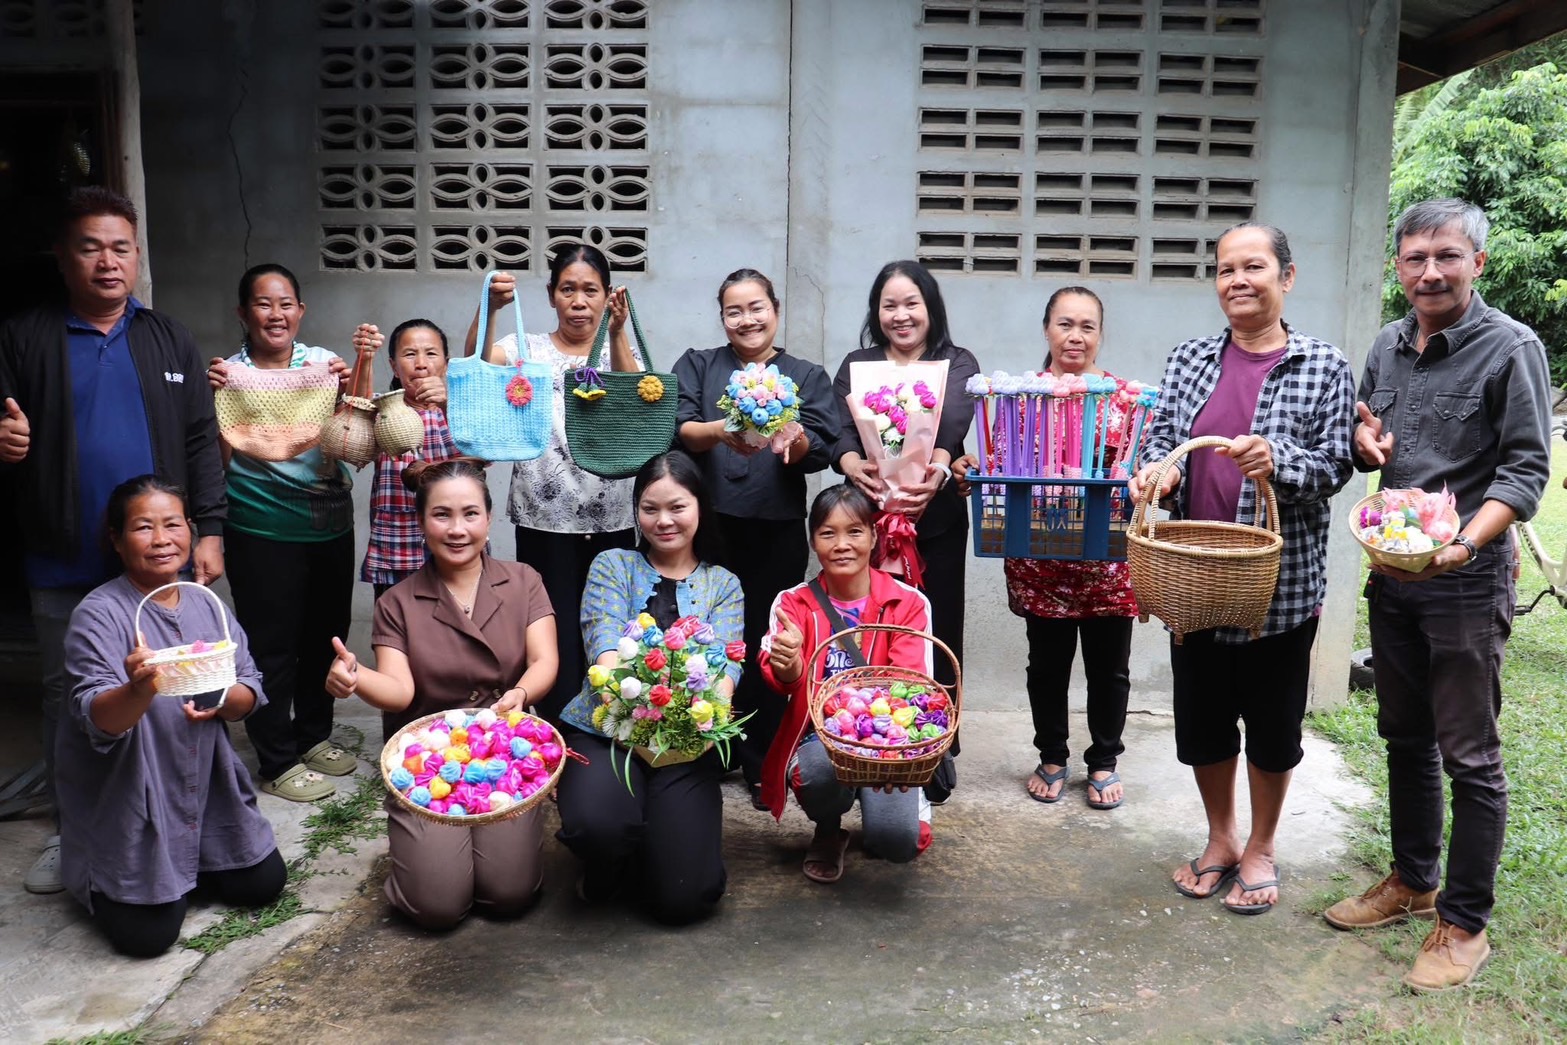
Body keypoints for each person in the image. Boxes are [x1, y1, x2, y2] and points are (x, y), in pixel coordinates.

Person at [1324, 199, 1552, 993]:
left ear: (1475, 263)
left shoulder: (1509, 347)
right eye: (1415, 257)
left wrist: (1458, 546)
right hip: (1392, 573)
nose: (1429, 271)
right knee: (1402, 734)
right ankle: (1412, 881)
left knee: (1470, 754)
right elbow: (1367, 434)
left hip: (1462, 578)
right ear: (1398, 265)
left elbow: (1524, 472)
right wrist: (1364, 440)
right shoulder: (1387, 344)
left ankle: (1463, 922)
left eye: (1445, 256)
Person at [0, 186, 227, 895]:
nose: (108, 261)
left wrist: (210, 529)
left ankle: (182, 817)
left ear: (136, 256)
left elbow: (198, 440)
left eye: (120, 248)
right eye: (91, 247)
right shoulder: (23, 337)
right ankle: (77, 829)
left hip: (160, 554)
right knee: (74, 694)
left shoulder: (167, 338)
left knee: (173, 683)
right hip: (63, 550)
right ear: (63, 258)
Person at [1129, 222, 1354, 917]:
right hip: (1194, 575)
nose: (1237, 280)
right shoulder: (1191, 356)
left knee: (1271, 723)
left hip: (1277, 588)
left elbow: (1335, 464)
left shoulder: (1322, 363)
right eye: (1225, 269)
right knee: (1201, 719)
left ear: (1286, 277)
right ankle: (1220, 838)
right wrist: (1155, 476)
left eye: (1252, 266)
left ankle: (1260, 845)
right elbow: (1163, 438)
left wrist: (1277, 460)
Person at [326, 458, 558, 930]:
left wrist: (519, 693)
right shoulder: (398, 602)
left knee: (509, 895)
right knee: (438, 908)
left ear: (489, 518)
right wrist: (356, 680)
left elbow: (545, 661)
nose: (457, 529)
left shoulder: (523, 581)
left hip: (502, 753)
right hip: (429, 763)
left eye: (470, 514)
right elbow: (398, 691)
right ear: (420, 522)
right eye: (442, 515)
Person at [58, 475, 282, 957]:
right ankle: (108, 870)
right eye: (143, 527)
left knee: (264, 884)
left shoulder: (208, 606)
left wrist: (222, 697)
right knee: (149, 938)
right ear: (116, 540)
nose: (162, 540)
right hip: (133, 795)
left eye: (173, 525)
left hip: (205, 787)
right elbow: (98, 719)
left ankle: (189, 864)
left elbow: (249, 691)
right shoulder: (98, 614)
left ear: (190, 532)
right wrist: (138, 689)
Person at [955, 287, 1137, 808]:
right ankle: (1052, 755)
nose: (1075, 336)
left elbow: (1146, 465)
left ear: (1100, 334)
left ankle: (1104, 760)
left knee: (1111, 667)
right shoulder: (1018, 397)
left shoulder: (1125, 399)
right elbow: (998, 465)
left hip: (1107, 558)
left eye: (1087, 325)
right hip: (1039, 555)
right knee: (1048, 664)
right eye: (1064, 324)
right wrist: (974, 469)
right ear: (1046, 329)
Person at [553, 451, 742, 924]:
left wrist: (688, 721)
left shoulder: (724, 584)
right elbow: (604, 648)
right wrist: (638, 703)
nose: (664, 521)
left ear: (700, 506)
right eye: (649, 508)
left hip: (686, 743)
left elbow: (724, 677)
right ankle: (608, 861)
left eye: (677, 507)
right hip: (606, 729)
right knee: (599, 826)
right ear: (636, 510)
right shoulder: (611, 564)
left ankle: (653, 852)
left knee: (683, 900)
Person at [673, 268, 838, 809]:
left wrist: (788, 442)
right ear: (722, 317)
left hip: (775, 528)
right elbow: (682, 431)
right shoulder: (700, 364)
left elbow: (817, 447)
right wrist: (727, 429)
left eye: (756, 307)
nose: (747, 319)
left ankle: (762, 756)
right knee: (708, 640)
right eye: (734, 310)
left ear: (776, 308)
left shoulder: (805, 373)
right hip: (709, 529)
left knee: (768, 642)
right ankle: (706, 749)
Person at [469, 246, 646, 722]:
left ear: (608, 297)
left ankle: (605, 729)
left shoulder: (615, 349)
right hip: (543, 520)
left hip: (611, 517)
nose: (579, 300)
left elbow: (638, 404)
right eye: (568, 288)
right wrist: (488, 310)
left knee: (608, 629)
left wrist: (618, 332)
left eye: (591, 289)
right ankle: (554, 736)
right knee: (552, 632)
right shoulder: (525, 348)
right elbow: (477, 365)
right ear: (551, 295)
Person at [206, 264, 362, 802]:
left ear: (301, 311)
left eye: (286, 303)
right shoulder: (230, 374)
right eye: (263, 303)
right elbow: (219, 457)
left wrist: (353, 381)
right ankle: (275, 760)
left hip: (330, 526)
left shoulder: (322, 364)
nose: (276, 314)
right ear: (243, 313)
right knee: (270, 648)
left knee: (326, 637)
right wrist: (218, 404)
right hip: (261, 528)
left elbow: (353, 435)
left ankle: (313, 736)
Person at [832, 260, 979, 799]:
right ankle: (867, 732)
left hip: (933, 522)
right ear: (876, 312)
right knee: (871, 627)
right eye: (889, 305)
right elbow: (839, 429)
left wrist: (935, 470)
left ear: (930, 308)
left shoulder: (956, 362)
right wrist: (852, 463)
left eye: (911, 303)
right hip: (871, 523)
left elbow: (957, 419)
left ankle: (938, 746)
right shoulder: (858, 364)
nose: (901, 315)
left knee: (938, 629)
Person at [759, 485, 936, 883]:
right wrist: (790, 665)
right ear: (812, 542)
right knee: (820, 772)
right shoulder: (792, 603)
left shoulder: (907, 603)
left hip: (886, 740)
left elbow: (911, 685)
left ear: (875, 537)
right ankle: (828, 826)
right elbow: (781, 681)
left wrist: (888, 749)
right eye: (827, 533)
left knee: (896, 845)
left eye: (855, 532)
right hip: (820, 739)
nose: (842, 545)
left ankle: (900, 805)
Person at [360, 318, 459, 599]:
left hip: (455, 543)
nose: (421, 363)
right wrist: (365, 358)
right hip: (396, 547)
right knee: (397, 635)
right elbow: (354, 423)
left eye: (431, 353)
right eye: (409, 354)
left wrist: (446, 404)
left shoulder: (461, 408)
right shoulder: (382, 410)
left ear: (446, 362)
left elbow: (481, 455)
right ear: (393, 365)